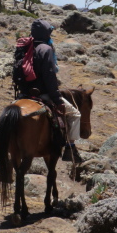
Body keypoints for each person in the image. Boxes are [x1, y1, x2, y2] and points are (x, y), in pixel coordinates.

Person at [24, 19, 82, 163]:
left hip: (24, 93)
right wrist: (56, 99)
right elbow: (50, 77)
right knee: (75, 114)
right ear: (45, 33)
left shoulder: (24, 47)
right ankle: (70, 147)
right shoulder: (46, 49)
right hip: (43, 94)